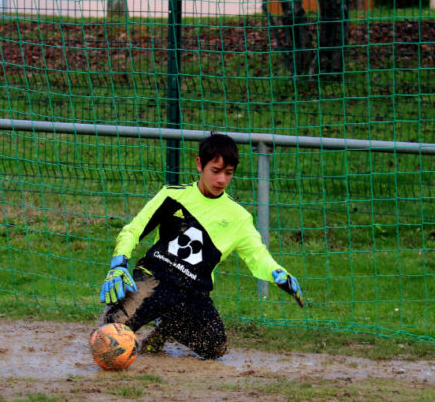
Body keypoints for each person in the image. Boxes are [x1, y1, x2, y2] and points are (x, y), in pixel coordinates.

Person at [98, 133, 304, 360]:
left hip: (193, 292)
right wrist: (119, 262)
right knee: (108, 333)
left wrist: (277, 273)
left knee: (215, 347)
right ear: (199, 164)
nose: (221, 180)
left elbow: (257, 255)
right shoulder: (171, 195)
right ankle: (146, 314)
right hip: (155, 279)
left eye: (228, 173)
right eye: (215, 171)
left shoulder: (239, 218)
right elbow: (133, 230)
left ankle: (167, 325)